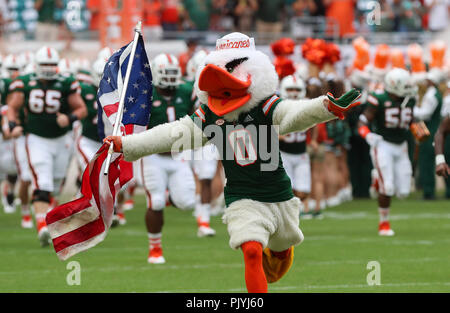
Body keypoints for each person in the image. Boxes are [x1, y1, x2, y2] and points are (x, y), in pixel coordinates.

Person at [104, 33, 361, 292]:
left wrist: (324, 107)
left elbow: (293, 114)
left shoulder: (263, 105)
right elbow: (171, 134)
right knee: (251, 250)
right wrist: (127, 145)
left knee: (281, 250)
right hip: (242, 195)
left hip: (277, 193)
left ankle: (280, 252)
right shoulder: (209, 114)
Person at [7, 46, 87, 247]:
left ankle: (49, 221)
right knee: (42, 181)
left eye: (53, 65)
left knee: (56, 184)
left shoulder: (66, 83)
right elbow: (13, 107)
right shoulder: (26, 83)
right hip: (36, 138)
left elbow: (81, 109)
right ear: (37, 65)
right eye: (45, 65)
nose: (50, 69)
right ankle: (42, 227)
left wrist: (68, 118)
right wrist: (13, 125)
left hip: (61, 139)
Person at [137, 53, 198, 264]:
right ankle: (155, 249)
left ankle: (170, 195)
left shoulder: (186, 91)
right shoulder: (147, 93)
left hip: (179, 155)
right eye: (167, 73)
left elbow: (197, 116)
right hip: (153, 157)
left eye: (174, 74)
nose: (171, 78)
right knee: (155, 202)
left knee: (188, 202)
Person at [358, 68, 417, 236]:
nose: (409, 88)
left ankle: (377, 179)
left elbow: (410, 120)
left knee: (404, 192)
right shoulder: (379, 98)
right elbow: (362, 122)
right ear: (394, 85)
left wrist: (417, 129)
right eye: (405, 85)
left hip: (401, 145)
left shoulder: (409, 100)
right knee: (388, 188)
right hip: (383, 145)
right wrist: (367, 134)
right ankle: (383, 223)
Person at [278, 75, 312, 217]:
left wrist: (314, 139)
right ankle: (288, 216)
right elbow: (264, 126)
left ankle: (288, 213)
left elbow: (316, 123)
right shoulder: (278, 105)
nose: (293, 92)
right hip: (283, 153)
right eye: (290, 89)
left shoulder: (307, 105)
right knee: (287, 188)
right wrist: (277, 135)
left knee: (303, 192)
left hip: (301, 152)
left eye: (297, 89)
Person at [413, 68, 446, 199]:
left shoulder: (432, 95)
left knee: (426, 161)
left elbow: (425, 113)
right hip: (431, 129)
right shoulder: (433, 93)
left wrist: (412, 108)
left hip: (430, 130)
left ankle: (428, 191)